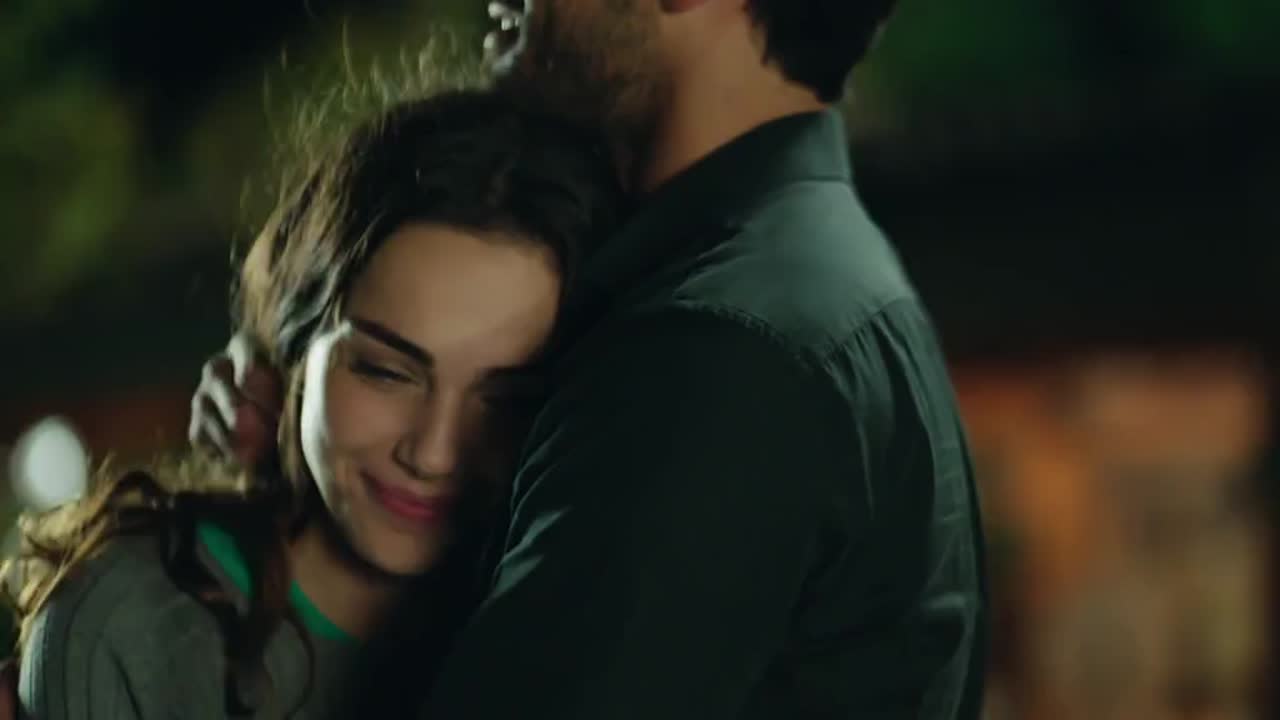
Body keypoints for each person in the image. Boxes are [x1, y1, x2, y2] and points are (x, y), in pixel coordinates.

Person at [193, 0, 990, 717]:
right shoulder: (810, 283)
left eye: (507, 396)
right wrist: (299, 386)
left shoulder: (716, 357)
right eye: (383, 367)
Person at [6, 89, 620, 719]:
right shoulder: (134, 622)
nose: (433, 454)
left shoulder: (580, 636)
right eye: (386, 372)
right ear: (297, 346)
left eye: (505, 401)